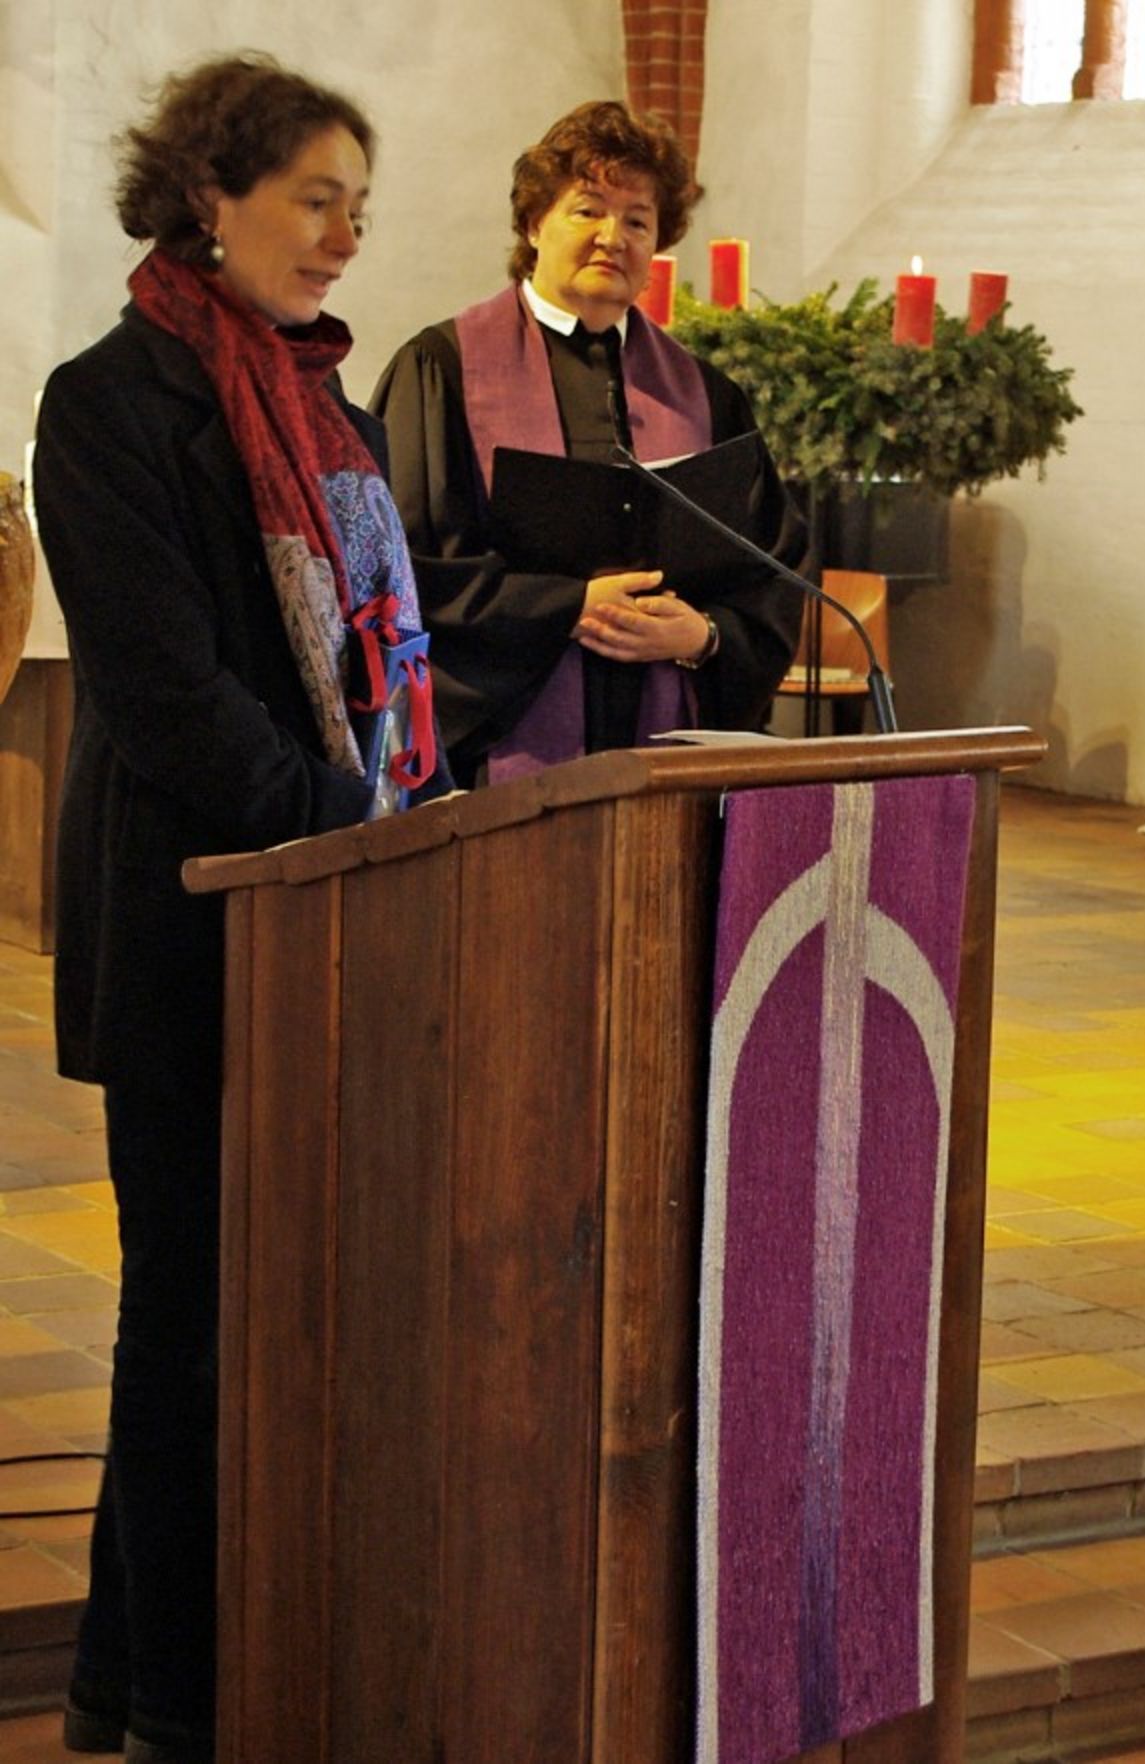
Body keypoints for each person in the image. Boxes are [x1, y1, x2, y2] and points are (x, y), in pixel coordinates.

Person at [34, 53, 451, 1763]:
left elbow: (380, 656)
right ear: (212, 198)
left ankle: (115, 1680)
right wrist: (353, 825)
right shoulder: (107, 400)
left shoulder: (328, 405)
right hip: (192, 913)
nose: (346, 235)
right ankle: (185, 1706)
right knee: (190, 1315)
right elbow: (163, 695)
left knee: (240, 1308)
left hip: (324, 909)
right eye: (315, 198)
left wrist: (408, 799)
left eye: (360, 205)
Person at [371, 101, 803, 783]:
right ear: (533, 223)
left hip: (666, 747)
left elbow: (771, 566)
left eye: (637, 221)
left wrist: (705, 635)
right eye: (587, 210)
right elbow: (398, 562)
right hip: (500, 751)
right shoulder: (442, 370)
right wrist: (565, 609)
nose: (613, 237)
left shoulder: (705, 395)